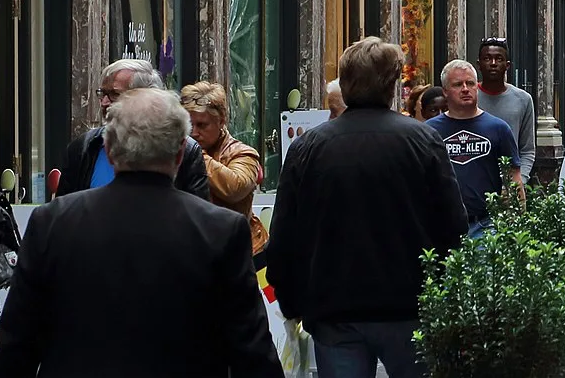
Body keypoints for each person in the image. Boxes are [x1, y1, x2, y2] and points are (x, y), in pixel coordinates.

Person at [0, 88, 281, 378]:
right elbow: (252, 350)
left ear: (109, 149)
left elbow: (18, 341)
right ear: (181, 152)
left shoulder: (53, 222)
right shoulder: (221, 230)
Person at [267, 37, 467, 378]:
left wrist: (290, 298)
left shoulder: (308, 148)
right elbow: (452, 224)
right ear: (392, 85)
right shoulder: (421, 140)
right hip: (408, 304)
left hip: (335, 308)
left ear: (345, 86)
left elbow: (285, 231)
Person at [56, 58, 211, 200]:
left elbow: (197, 215)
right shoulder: (84, 147)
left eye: (114, 94)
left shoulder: (185, 149)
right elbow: (64, 213)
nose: (104, 102)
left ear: (147, 97)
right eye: (102, 93)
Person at [428, 60, 524, 234]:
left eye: (470, 83)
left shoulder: (498, 129)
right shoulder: (429, 131)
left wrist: (517, 227)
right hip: (440, 225)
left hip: (485, 224)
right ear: (445, 91)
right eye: (458, 84)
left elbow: (514, 178)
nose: (465, 89)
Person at [179, 80, 267, 253]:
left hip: (235, 250)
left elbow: (235, 187)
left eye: (202, 125)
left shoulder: (243, 153)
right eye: (188, 125)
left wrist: (195, 153)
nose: (194, 132)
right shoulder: (179, 150)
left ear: (221, 121)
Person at [474, 37, 536, 181]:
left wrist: (520, 182)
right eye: (487, 58)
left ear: (507, 65)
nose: (493, 63)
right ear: (479, 64)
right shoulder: (468, 96)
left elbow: (527, 149)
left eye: (499, 59)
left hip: (509, 181)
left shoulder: (523, 99)